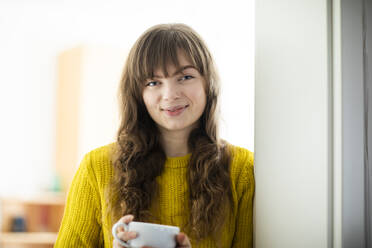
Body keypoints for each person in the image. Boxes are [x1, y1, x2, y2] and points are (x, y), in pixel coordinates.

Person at [55, 23, 254, 248]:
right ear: (138, 95)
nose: (170, 95)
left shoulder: (242, 169)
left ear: (208, 83)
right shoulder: (96, 168)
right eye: (153, 82)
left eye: (185, 77)